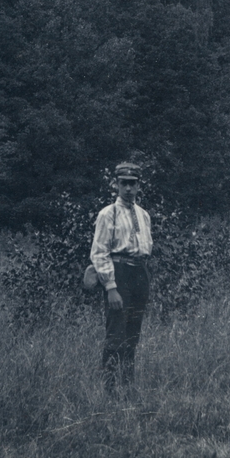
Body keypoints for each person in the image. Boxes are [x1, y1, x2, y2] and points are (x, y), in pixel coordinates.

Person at [90, 161, 153, 394]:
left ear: (138, 186)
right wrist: (110, 286)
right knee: (116, 331)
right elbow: (99, 252)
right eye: (123, 184)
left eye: (132, 184)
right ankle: (109, 388)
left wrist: (143, 275)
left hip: (140, 273)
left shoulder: (144, 215)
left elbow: (146, 247)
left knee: (133, 333)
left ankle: (128, 385)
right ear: (116, 184)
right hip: (119, 273)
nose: (128, 188)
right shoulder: (108, 214)